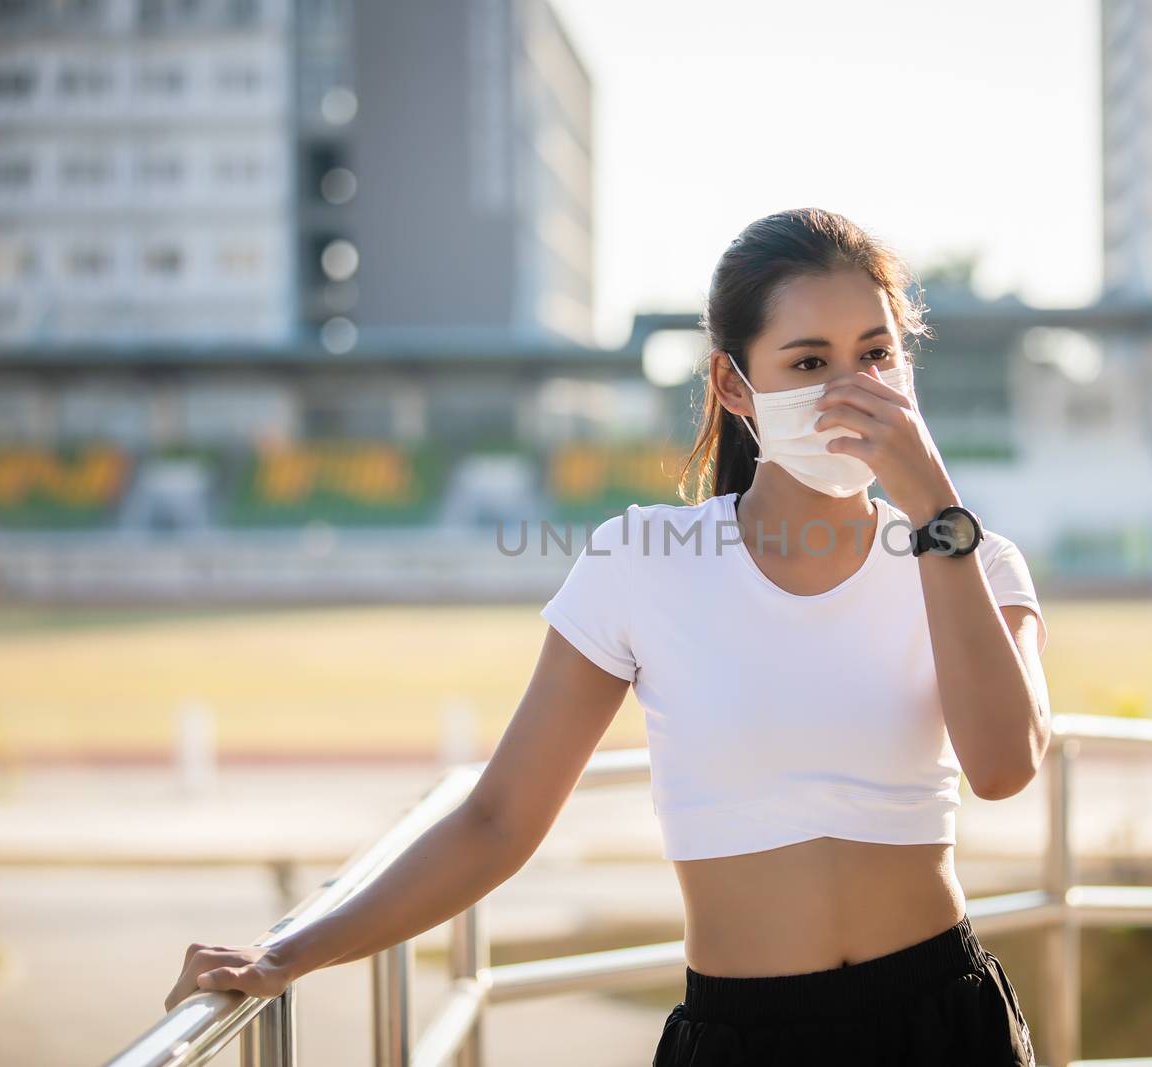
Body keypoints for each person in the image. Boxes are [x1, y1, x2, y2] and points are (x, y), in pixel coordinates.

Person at [163, 207, 1049, 1066]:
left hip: (943, 1021)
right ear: (734, 385)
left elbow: (1004, 766)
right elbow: (496, 818)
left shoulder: (976, 562)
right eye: (809, 361)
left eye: (876, 354)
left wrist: (938, 509)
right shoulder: (642, 560)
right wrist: (291, 954)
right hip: (744, 1036)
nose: (852, 391)